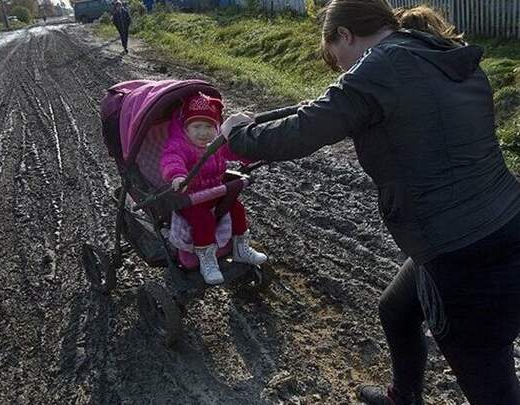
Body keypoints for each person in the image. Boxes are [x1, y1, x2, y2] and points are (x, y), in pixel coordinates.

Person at [221, 1, 520, 404]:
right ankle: (403, 396)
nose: (342, 70)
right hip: (503, 218)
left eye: (336, 58)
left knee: (490, 381)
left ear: (344, 35)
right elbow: (339, 110)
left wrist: (238, 136)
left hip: (461, 250)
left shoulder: (380, 67)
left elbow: (305, 131)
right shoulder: (432, 49)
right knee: (396, 308)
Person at [160, 92, 268, 285]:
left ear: (217, 127)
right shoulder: (178, 145)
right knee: (204, 219)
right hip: (189, 198)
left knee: (237, 208)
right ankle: (206, 258)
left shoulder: (216, 144)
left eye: (209, 126)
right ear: (185, 128)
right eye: (197, 126)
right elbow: (171, 160)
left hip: (214, 193)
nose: (203, 132)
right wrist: (177, 176)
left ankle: (240, 248)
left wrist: (251, 153)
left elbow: (234, 150)